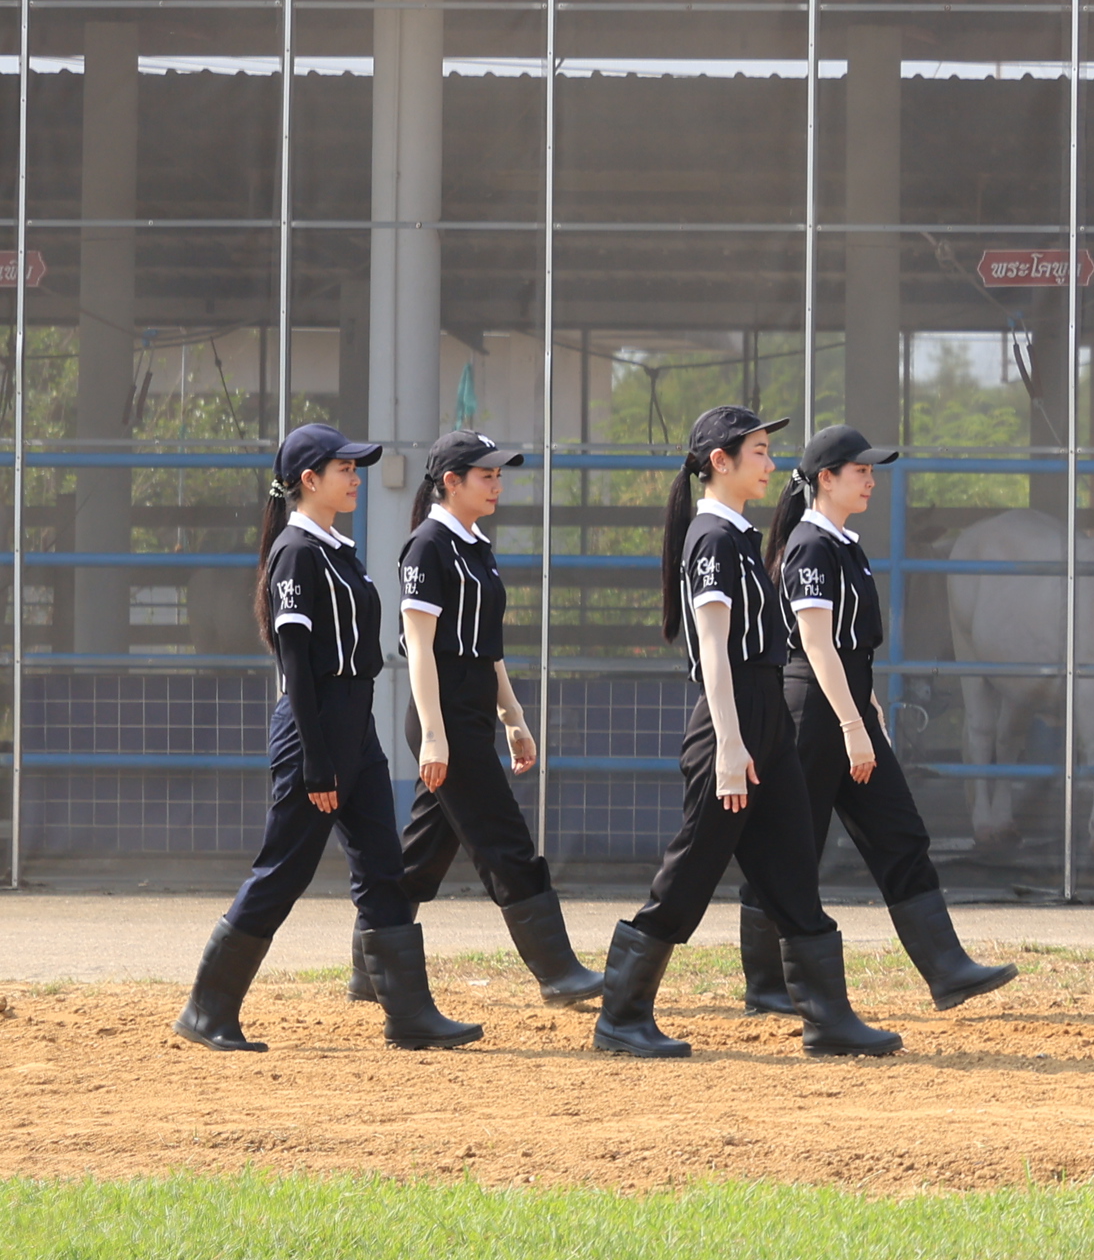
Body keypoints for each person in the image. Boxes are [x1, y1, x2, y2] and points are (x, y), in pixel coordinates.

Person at [589, 405, 901, 1061]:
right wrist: (731, 748)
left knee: (793, 872)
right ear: (719, 462)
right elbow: (712, 651)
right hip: (730, 727)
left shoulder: (736, 535)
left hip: (766, 725)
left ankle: (829, 1018)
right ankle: (621, 1015)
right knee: (689, 875)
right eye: (758, 451)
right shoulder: (712, 537)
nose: (769, 463)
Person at [172, 424, 483, 1052]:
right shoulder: (295, 551)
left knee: (382, 865)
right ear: (309, 480)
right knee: (284, 870)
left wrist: (351, 745)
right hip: (313, 729)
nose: (356, 477)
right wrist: (317, 761)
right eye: (345, 468)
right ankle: (207, 1010)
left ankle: (409, 1014)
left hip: (355, 725)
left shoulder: (338, 547)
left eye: (356, 467)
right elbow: (295, 664)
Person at [735, 426, 1015, 1013]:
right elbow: (815, 644)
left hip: (846, 705)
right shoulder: (810, 546)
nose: (869, 479)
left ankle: (947, 968)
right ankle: (766, 985)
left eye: (870, 470)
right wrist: (852, 725)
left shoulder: (842, 543)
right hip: (814, 714)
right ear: (825, 479)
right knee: (791, 847)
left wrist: (868, 706)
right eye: (858, 470)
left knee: (899, 832)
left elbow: (851, 647)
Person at [359, 430, 603, 1005]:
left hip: (472, 710)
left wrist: (513, 715)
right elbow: (418, 647)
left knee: (421, 855)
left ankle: (370, 969)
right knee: (505, 840)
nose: (497, 484)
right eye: (486, 475)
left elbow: (487, 647)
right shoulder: (426, 547)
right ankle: (558, 972)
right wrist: (436, 736)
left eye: (500, 475)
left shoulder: (475, 546)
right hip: (443, 714)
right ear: (451, 482)